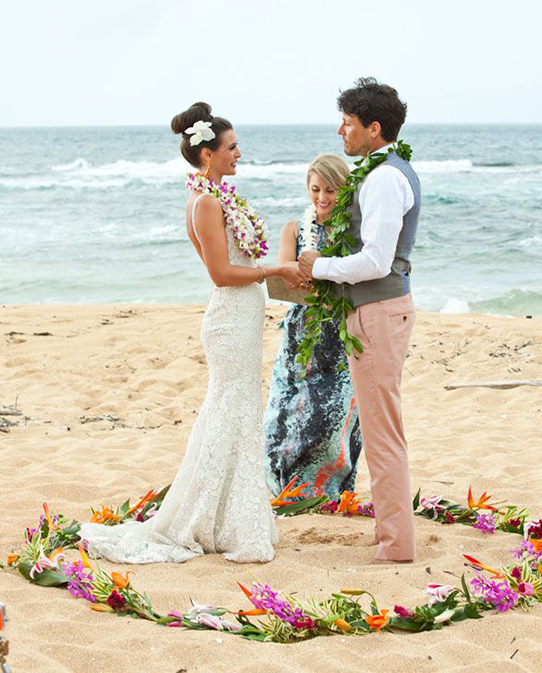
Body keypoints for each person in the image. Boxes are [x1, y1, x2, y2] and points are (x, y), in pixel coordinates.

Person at [78, 101, 304, 564]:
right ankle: (209, 520)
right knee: (231, 411)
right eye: (233, 147)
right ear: (208, 154)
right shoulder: (204, 203)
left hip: (243, 318)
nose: (239, 153)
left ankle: (229, 516)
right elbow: (221, 273)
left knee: (239, 411)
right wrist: (275, 268)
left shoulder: (220, 198)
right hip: (229, 318)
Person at [298, 78, 421, 564]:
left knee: (382, 431)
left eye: (347, 124)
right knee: (379, 426)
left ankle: (396, 546)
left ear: (373, 129)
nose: (339, 132)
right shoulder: (380, 172)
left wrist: (318, 266)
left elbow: (376, 261)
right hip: (373, 311)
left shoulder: (386, 179)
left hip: (378, 312)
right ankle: (389, 534)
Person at [264, 154, 362, 497]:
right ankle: (286, 486)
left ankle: (327, 488)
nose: (322, 198)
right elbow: (284, 274)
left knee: (331, 416)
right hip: (302, 331)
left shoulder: (354, 231)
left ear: (344, 189)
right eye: (315, 189)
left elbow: (358, 277)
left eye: (330, 190)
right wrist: (297, 277)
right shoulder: (295, 228)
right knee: (287, 411)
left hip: (340, 331)